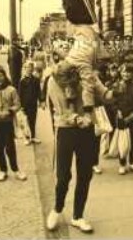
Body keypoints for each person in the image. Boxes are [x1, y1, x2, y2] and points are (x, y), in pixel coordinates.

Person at [46, 60, 117, 233]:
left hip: (86, 130)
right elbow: (62, 111)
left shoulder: (87, 75)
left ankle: (78, 216)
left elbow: (105, 95)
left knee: (85, 174)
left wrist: (116, 91)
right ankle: (57, 207)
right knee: (63, 175)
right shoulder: (53, 81)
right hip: (66, 129)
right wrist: (78, 119)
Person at [0, 65, 27, 182]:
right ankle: (2, 170)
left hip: (7, 123)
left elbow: (18, 104)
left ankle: (16, 169)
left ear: (4, 76)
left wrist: (9, 111)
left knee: (10, 147)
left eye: (0, 76)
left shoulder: (11, 90)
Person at [115, 64, 133, 175]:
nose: (126, 74)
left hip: (132, 116)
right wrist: (117, 111)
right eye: (124, 72)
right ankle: (122, 164)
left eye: (128, 72)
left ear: (131, 74)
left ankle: (132, 162)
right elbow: (112, 100)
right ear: (121, 73)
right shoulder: (116, 85)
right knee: (122, 140)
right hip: (121, 116)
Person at [19, 61, 43, 145]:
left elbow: (39, 91)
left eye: (31, 68)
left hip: (33, 104)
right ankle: (26, 137)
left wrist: (41, 101)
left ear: (33, 69)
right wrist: (20, 105)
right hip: (25, 105)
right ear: (24, 69)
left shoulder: (36, 80)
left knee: (33, 120)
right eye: (27, 68)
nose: (29, 69)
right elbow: (20, 94)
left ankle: (33, 136)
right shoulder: (22, 81)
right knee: (26, 122)